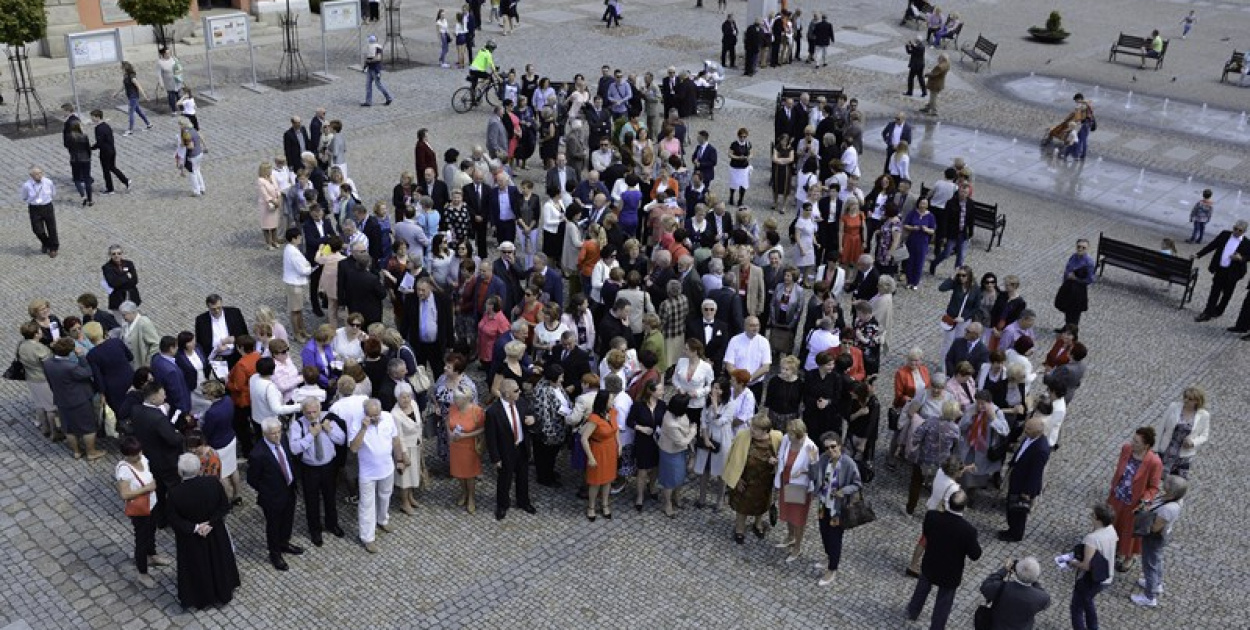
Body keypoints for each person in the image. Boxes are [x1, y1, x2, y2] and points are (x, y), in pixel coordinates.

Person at [165, 453, 240, 609]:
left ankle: (202, 597)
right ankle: (223, 590)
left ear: (180, 472)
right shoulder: (213, 483)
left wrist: (195, 528)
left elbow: (174, 519)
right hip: (214, 533)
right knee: (219, 563)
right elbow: (224, 506)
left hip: (192, 539)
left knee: (198, 568)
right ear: (199, 469)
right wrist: (210, 523)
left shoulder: (174, 493)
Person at [905, 490, 982, 630]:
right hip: (950, 572)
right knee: (943, 603)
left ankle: (913, 610)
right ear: (964, 507)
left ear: (948, 503)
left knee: (921, 589)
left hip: (930, 563)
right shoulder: (968, 531)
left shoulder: (932, 516)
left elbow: (927, 533)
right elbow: (975, 555)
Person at [350, 398, 406, 552]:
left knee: (385, 496)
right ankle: (367, 537)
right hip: (368, 472)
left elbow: (395, 440)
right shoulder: (357, 422)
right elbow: (353, 448)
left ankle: (382, 520)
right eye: (371, 415)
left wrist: (400, 459)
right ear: (365, 414)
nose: (375, 418)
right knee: (367, 504)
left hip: (387, 468)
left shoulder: (388, 417)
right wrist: (363, 429)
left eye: (377, 415)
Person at [247, 418, 303, 571]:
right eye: (273, 433)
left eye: (279, 432)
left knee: (288, 520)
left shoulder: (283, 439)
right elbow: (252, 479)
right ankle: (275, 554)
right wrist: (268, 490)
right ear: (265, 434)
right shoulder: (258, 454)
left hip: (289, 490)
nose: (277, 435)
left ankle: (284, 543)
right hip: (272, 497)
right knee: (273, 526)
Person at [115, 436, 170, 588]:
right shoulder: (124, 470)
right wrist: (146, 488)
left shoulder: (143, 459)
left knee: (152, 531)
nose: (139, 456)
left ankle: (152, 555)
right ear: (127, 455)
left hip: (152, 504)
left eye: (139, 452)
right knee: (141, 540)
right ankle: (142, 573)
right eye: (135, 454)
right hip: (140, 510)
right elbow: (124, 494)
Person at [288, 399, 345, 547]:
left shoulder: (328, 419)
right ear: (303, 412)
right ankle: (315, 530)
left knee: (330, 497)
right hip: (309, 468)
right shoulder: (298, 425)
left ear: (320, 409)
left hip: (328, 466)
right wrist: (310, 436)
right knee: (311, 501)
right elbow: (294, 448)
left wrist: (329, 430)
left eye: (315, 412)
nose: (312, 415)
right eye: (308, 413)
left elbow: (341, 440)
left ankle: (332, 524)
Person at [1107, 427, 1163, 573]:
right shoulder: (1126, 449)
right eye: (1133, 439)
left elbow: (1153, 487)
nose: (1132, 443)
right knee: (1113, 525)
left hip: (1134, 504)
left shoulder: (1154, 462)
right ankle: (1114, 549)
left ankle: (1129, 557)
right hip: (1117, 497)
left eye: (1137, 442)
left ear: (1146, 446)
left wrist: (1145, 500)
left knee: (1129, 532)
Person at [809, 432, 862, 586]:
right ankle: (828, 557)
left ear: (840, 446)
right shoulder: (824, 459)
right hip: (823, 504)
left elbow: (857, 484)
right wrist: (813, 462)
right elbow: (814, 477)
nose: (830, 450)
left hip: (838, 509)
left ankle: (832, 569)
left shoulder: (848, 463)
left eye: (833, 446)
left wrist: (843, 491)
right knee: (824, 533)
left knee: (835, 538)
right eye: (827, 448)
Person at [485, 379, 537, 521]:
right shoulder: (493, 412)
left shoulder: (522, 402)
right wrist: (495, 458)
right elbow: (491, 438)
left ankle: (523, 501)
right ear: (507, 394)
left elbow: (532, 416)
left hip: (521, 447)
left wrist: (533, 419)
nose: (519, 392)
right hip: (505, 451)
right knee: (504, 479)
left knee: (523, 477)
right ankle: (502, 505)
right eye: (516, 390)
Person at [723, 414, 780, 543]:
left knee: (762, 504)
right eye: (752, 426)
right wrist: (737, 478)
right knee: (742, 506)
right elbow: (734, 457)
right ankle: (739, 529)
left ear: (765, 431)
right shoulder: (743, 436)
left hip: (765, 481)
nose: (751, 430)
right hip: (745, 480)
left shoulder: (776, 438)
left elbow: (782, 455)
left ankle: (758, 524)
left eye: (755, 428)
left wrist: (776, 461)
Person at [1132, 475, 1187, 607]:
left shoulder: (1168, 509)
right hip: (1160, 537)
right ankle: (1157, 584)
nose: (1163, 486)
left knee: (1150, 565)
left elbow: (1155, 528)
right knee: (1156, 560)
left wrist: (1144, 512)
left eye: (1166, 487)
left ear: (1172, 492)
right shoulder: (1176, 500)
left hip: (1154, 538)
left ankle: (1150, 597)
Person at [999, 416, 1051, 542]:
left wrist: (1027, 492)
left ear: (1037, 432)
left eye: (1028, 429)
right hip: (1017, 476)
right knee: (1011, 507)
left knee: (1019, 512)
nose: (1025, 430)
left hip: (1023, 485)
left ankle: (1015, 534)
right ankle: (1011, 529)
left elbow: (1035, 473)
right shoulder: (1029, 437)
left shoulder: (1041, 449)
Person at [772, 419, 819, 562]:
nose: (788, 435)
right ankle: (790, 536)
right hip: (786, 481)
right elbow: (782, 456)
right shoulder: (787, 439)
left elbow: (815, 473)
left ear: (799, 434)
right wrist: (777, 461)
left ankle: (797, 547)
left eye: (792, 433)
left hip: (800, 486)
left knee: (798, 518)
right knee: (787, 512)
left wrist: (804, 471)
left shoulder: (811, 447)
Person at [1066, 503, 1117, 630]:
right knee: (1088, 601)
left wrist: (1072, 562)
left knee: (1076, 608)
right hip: (1106, 576)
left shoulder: (1092, 539)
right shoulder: (1111, 529)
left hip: (1090, 580)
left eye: (1092, 515)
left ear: (1098, 519)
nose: (1090, 516)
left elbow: (1086, 565)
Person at [1192, 220, 1249, 323]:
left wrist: (1241, 258)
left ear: (1244, 231)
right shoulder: (1225, 234)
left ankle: (1219, 310)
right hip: (1220, 269)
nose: (1236, 231)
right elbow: (1212, 245)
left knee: (1227, 293)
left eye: (1239, 230)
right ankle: (1207, 312)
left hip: (1233, 272)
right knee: (1215, 291)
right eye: (1235, 229)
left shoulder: (1247, 243)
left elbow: (1248, 257)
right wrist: (1198, 254)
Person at [977, 557, 1051, 629]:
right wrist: (1032, 579)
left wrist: (1004, 570)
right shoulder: (1042, 598)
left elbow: (985, 586)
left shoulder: (1000, 588)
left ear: (1016, 571)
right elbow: (1046, 603)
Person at [581, 390, 620, 520]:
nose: (613, 402)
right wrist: (591, 457)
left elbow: (616, 429)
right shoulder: (594, 419)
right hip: (598, 451)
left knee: (608, 479)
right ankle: (591, 507)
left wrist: (619, 444)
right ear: (604, 402)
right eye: (611, 399)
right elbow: (584, 439)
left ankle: (605, 504)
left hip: (610, 449)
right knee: (596, 481)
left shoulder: (612, 412)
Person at [1154, 387, 1209, 478]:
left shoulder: (1204, 415)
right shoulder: (1174, 407)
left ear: (1197, 401)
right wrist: (1154, 449)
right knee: (1156, 478)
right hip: (1166, 450)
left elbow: (1204, 435)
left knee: (1177, 483)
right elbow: (1161, 427)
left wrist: (1193, 442)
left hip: (1184, 455)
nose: (1186, 400)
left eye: (1190, 399)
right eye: (1185, 397)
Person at [657, 394, 696, 517]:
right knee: (670, 480)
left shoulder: (679, 413)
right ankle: (667, 504)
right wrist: (693, 431)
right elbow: (682, 442)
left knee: (680, 477)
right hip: (670, 453)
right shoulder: (670, 423)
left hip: (680, 452)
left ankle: (676, 497)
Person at [1054, 239, 1096, 329]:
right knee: (1067, 308)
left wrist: (1076, 279)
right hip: (1068, 287)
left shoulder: (1089, 263)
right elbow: (1067, 270)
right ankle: (1067, 326)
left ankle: (1072, 331)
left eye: (1083, 247)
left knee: (1075, 311)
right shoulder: (1073, 257)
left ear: (1087, 249)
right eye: (1078, 247)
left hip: (1078, 290)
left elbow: (1090, 279)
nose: (1080, 249)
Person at [20, 167, 59, 258]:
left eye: (40, 173)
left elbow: (53, 193)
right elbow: (24, 197)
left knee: (52, 228)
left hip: (47, 206)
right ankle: (46, 242)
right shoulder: (27, 185)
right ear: (31, 176)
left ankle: (53, 248)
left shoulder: (48, 182)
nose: (39, 175)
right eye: (36, 174)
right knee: (37, 229)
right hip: (34, 208)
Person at [114, 61, 152, 135]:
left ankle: (130, 130)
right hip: (130, 97)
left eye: (122, 68)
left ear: (125, 68)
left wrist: (145, 96)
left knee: (131, 113)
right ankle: (149, 124)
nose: (121, 69)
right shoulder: (125, 76)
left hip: (133, 97)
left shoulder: (132, 77)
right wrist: (116, 93)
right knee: (138, 111)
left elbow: (139, 86)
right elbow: (123, 86)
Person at [362, 35, 394, 107]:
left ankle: (389, 98)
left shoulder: (377, 48)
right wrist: (366, 65)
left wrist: (369, 61)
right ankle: (368, 102)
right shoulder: (370, 47)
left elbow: (378, 58)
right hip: (370, 69)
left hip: (375, 69)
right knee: (368, 85)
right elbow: (368, 57)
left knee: (379, 85)